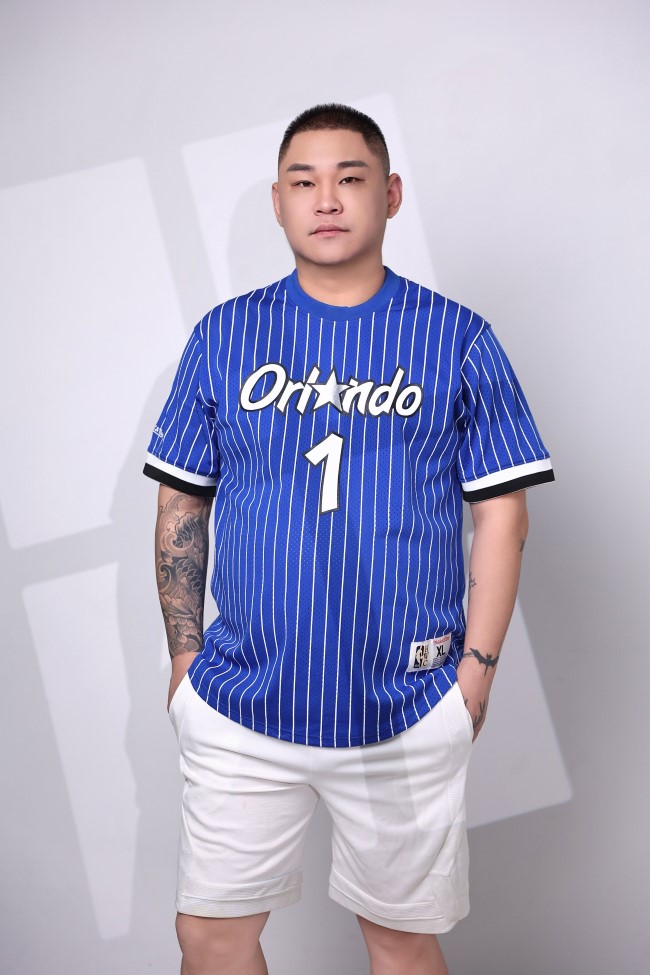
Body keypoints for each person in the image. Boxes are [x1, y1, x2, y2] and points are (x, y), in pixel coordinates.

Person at [144, 103, 554, 975]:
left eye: (349, 178)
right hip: (242, 700)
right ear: (279, 202)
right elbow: (182, 499)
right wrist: (185, 659)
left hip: (405, 706)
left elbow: (502, 514)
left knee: (400, 942)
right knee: (210, 937)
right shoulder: (225, 336)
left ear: (390, 194)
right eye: (304, 181)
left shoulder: (458, 339)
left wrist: (474, 675)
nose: (326, 199)